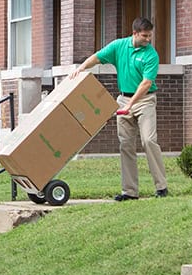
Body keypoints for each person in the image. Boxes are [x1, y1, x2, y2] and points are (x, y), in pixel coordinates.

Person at [70, 17, 168, 200]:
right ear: (135, 33)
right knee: (126, 145)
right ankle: (129, 192)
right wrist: (81, 68)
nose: (148, 40)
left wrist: (131, 105)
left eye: (150, 36)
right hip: (123, 99)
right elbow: (97, 57)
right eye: (145, 36)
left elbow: (146, 83)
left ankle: (161, 187)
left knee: (149, 141)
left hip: (145, 101)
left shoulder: (151, 54)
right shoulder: (119, 46)